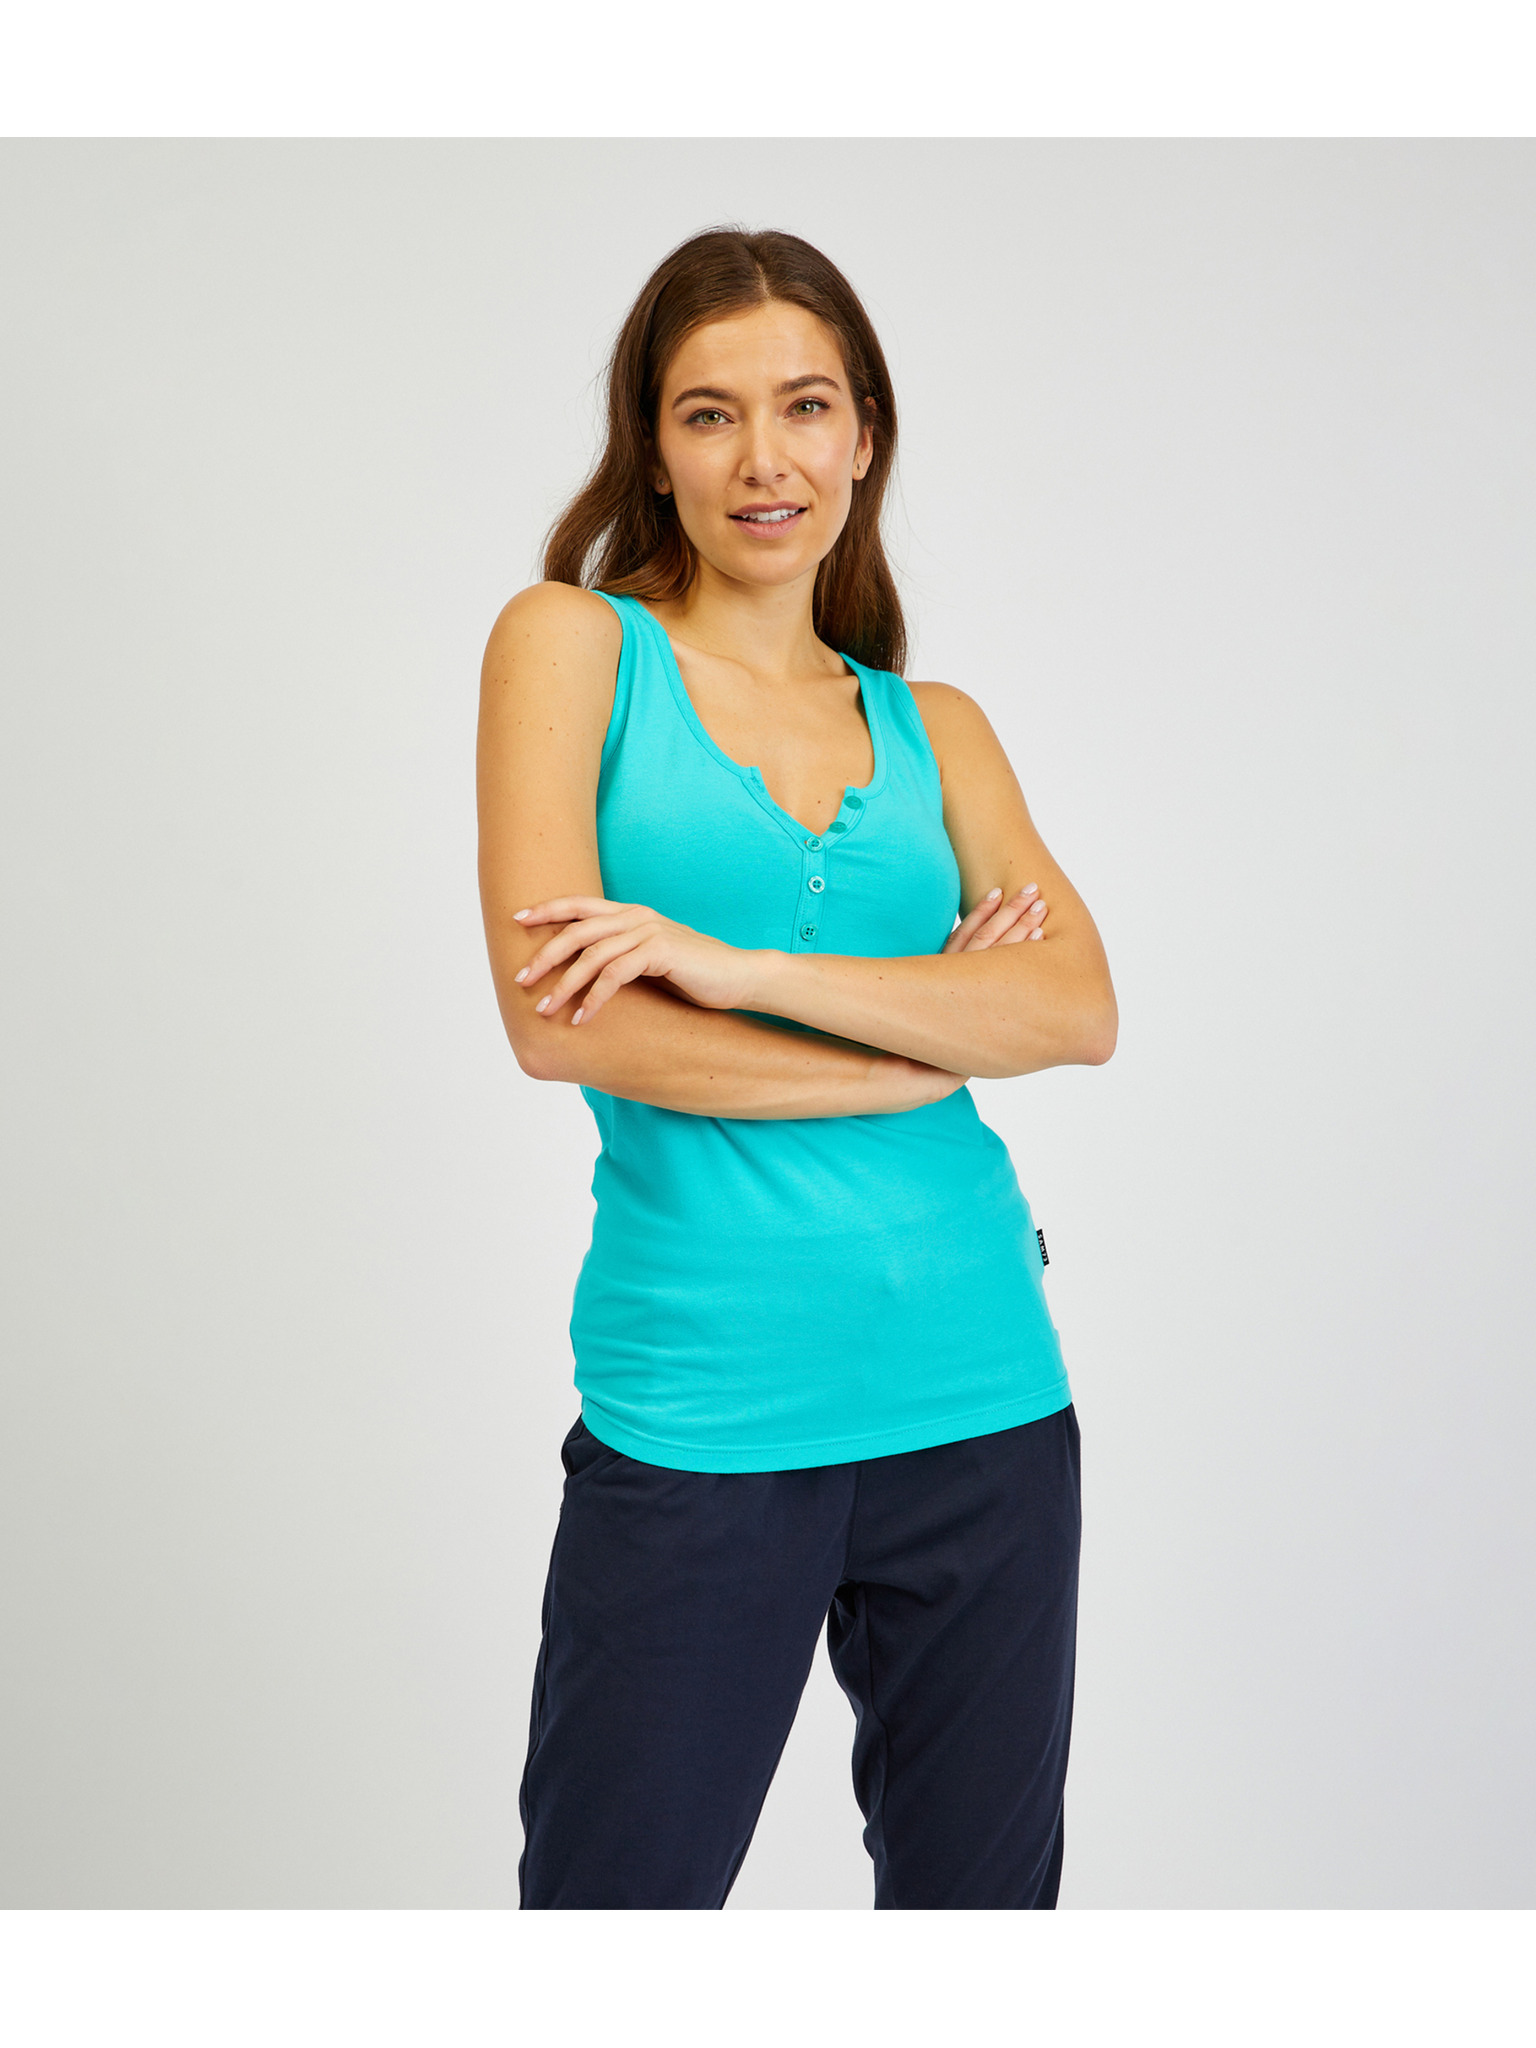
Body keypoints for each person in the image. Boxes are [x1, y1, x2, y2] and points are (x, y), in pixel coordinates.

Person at [476, 226, 1117, 1910]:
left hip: (983, 1399)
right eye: (711, 414)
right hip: (703, 1408)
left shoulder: (935, 727)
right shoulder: (573, 647)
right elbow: (561, 1021)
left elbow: (1074, 1007)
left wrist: (741, 971)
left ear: (865, 437)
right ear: (653, 449)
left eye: (807, 406)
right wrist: (918, 1045)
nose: (765, 458)